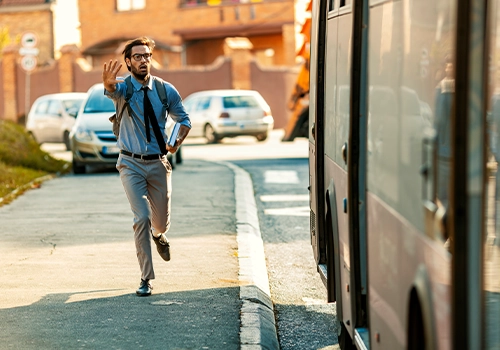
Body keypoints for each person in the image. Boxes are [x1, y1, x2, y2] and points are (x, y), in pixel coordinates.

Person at [102, 36, 191, 296]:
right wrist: (107, 83)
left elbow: (183, 119)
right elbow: (111, 89)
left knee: (160, 223)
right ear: (128, 62)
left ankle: (158, 234)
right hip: (130, 163)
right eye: (137, 57)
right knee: (141, 216)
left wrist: (176, 140)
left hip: (159, 164)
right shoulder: (124, 89)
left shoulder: (164, 90)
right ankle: (145, 278)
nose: (143, 61)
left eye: (147, 56)